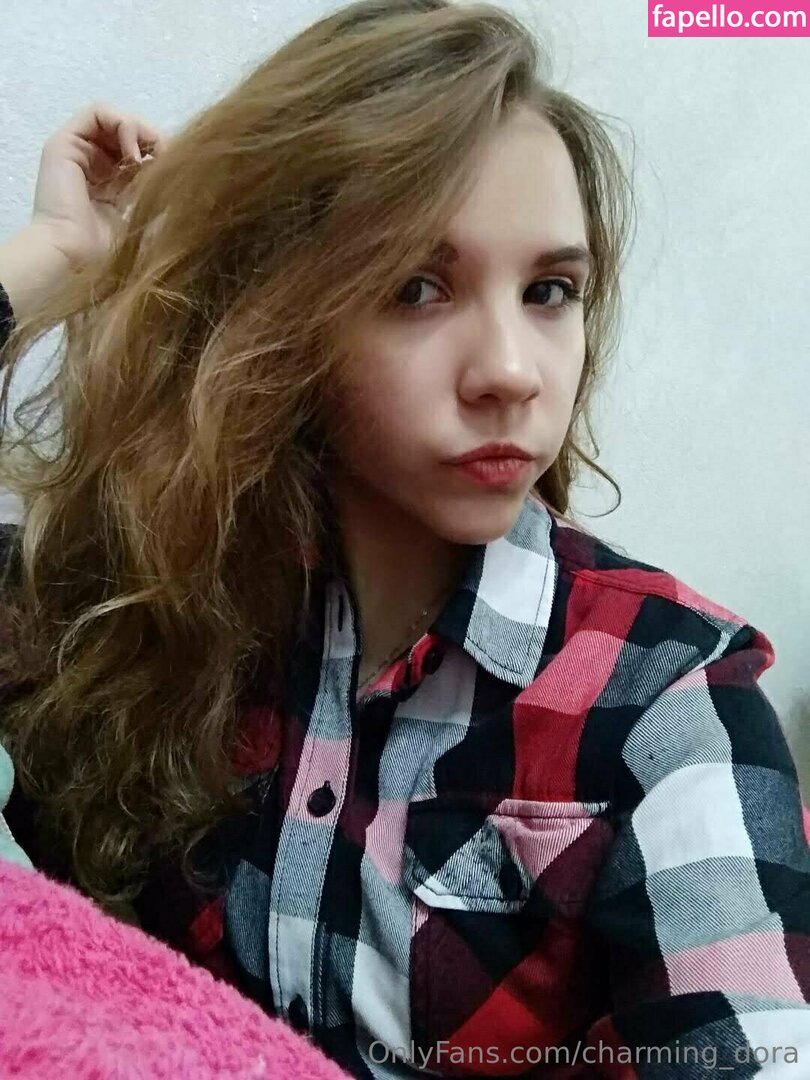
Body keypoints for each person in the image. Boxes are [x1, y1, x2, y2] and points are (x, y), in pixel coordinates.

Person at [1, 1, 809, 1076]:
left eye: (550, 291)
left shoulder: (668, 703)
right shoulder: (163, 602)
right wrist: (50, 263)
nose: (512, 371)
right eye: (417, 288)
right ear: (283, 318)